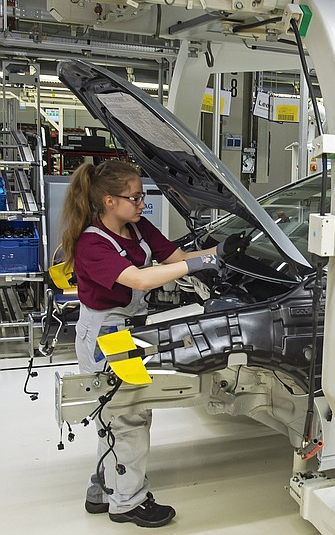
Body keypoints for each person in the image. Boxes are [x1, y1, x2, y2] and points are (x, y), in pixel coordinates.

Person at [61, 160, 247, 527]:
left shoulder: (137, 227)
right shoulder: (91, 244)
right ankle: (128, 502)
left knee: (113, 416)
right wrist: (203, 262)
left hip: (128, 330)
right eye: (134, 197)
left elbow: (178, 260)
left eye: (142, 195)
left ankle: (102, 489)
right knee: (128, 416)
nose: (142, 203)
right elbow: (141, 280)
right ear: (109, 201)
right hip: (104, 337)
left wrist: (224, 253)